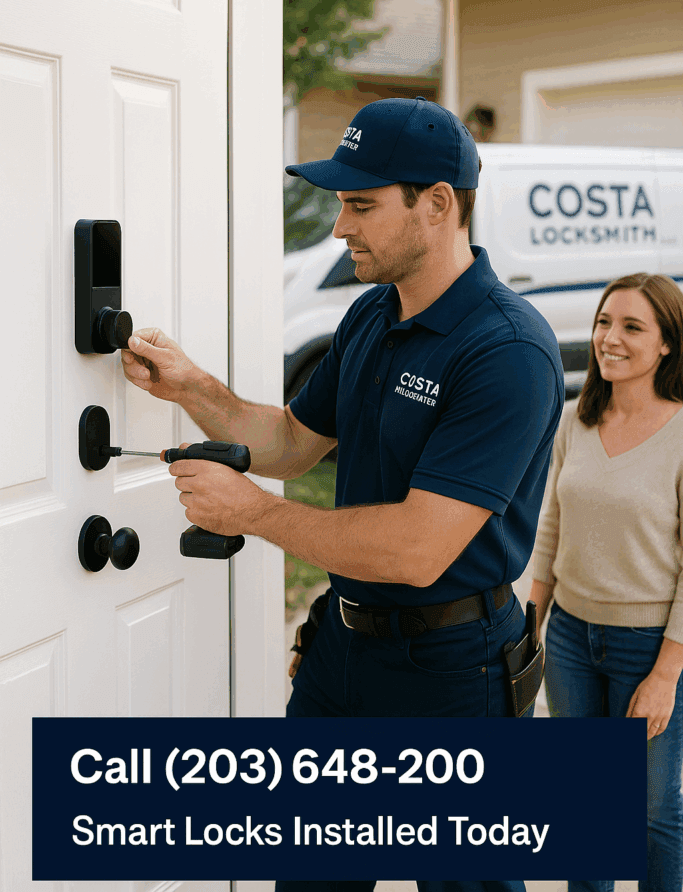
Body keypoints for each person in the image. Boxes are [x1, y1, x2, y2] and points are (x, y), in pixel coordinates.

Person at [121, 96, 565, 892]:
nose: (339, 228)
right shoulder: (369, 315)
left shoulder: (505, 349)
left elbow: (417, 549)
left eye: (361, 206)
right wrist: (190, 387)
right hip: (344, 654)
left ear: (437, 204)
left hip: (452, 674)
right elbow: (294, 442)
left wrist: (252, 513)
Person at [530, 272, 683, 892]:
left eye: (631, 327)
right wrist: (531, 621)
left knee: (650, 814)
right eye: (603, 322)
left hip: (648, 646)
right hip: (570, 638)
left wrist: (666, 675)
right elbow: (551, 525)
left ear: (667, 343)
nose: (609, 338)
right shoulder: (576, 420)